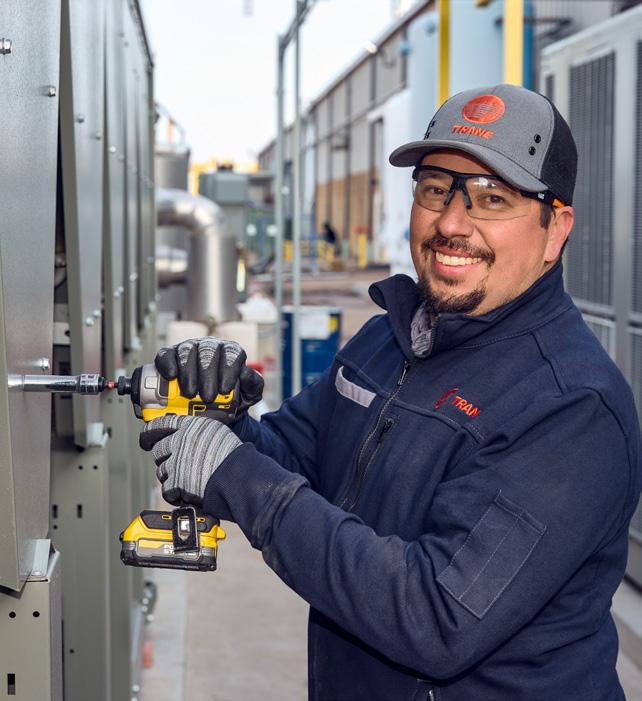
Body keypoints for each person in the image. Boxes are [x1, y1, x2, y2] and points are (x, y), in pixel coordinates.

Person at [140, 85, 641, 700]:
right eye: (436, 188)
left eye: (492, 198)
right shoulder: (389, 339)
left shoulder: (570, 408)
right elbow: (295, 456)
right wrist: (224, 420)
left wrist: (240, 476)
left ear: (555, 229)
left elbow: (436, 616)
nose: (451, 223)